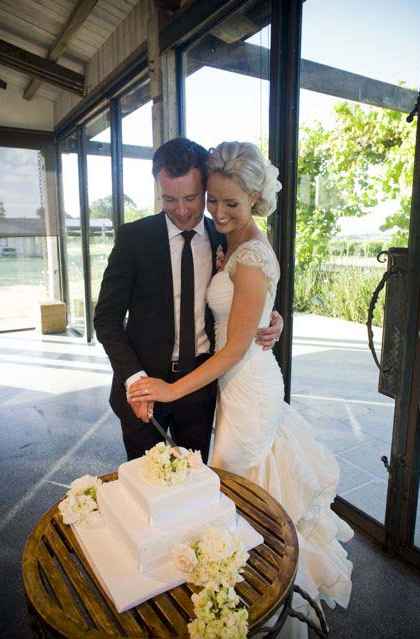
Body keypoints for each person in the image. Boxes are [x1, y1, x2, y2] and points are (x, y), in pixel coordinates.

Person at [129, 141, 353, 636]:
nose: (216, 212)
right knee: (241, 491)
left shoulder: (249, 252)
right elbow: (243, 311)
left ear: (254, 196)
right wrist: (268, 316)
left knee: (247, 491)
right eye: (213, 201)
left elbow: (232, 347)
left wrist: (169, 390)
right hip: (232, 386)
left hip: (247, 384)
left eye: (230, 202)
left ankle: (263, 598)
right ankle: (243, 592)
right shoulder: (226, 238)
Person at [94, 138, 282, 463]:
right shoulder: (133, 239)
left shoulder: (225, 235)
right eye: (169, 198)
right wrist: (136, 381)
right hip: (144, 386)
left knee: (196, 489)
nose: (181, 209)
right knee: (148, 489)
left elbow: (246, 293)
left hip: (201, 388)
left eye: (192, 198)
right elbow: (106, 319)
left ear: (205, 187)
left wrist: (271, 318)